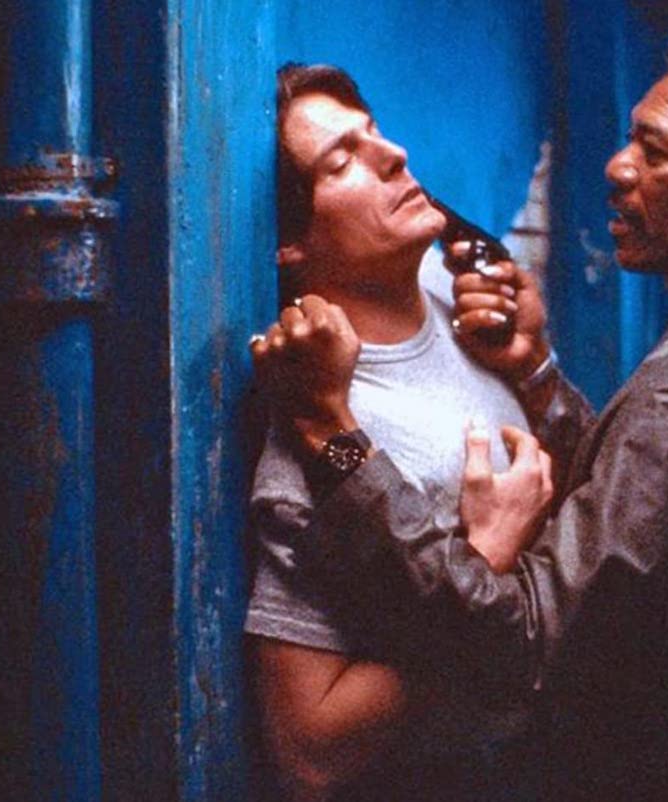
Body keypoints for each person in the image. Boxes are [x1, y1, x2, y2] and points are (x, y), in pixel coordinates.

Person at [257, 28, 668, 802]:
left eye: (655, 152)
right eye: (341, 158)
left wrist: (334, 437)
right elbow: (649, 516)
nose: (617, 168)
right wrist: (534, 371)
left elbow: (527, 639)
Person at [244, 63, 555, 802]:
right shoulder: (324, 429)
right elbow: (309, 753)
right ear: (290, 242)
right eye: (342, 161)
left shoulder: (461, 300)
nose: (394, 155)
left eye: (375, 132)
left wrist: (535, 361)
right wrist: (484, 559)